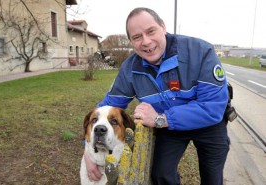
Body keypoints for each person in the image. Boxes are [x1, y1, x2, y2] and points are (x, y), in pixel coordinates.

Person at [85, 7, 230, 185]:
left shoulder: (200, 52)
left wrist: (161, 119)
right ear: (131, 41)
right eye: (137, 37)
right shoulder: (130, 69)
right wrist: (88, 149)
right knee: (161, 174)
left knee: (212, 177)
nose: (146, 41)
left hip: (208, 125)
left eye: (151, 31)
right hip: (171, 127)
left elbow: (213, 107)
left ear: (163, 27)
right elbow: (106, 106)